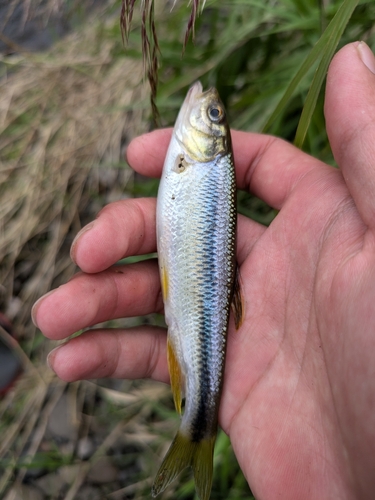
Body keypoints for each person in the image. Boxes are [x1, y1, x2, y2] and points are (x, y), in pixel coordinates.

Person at [32, 41, 375, 499]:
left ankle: (198, 429)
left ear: (209, 139)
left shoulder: (199, 164)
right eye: (216, 115)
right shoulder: (204, 166)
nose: (207, 103)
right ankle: (198, 426)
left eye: (213, 116)